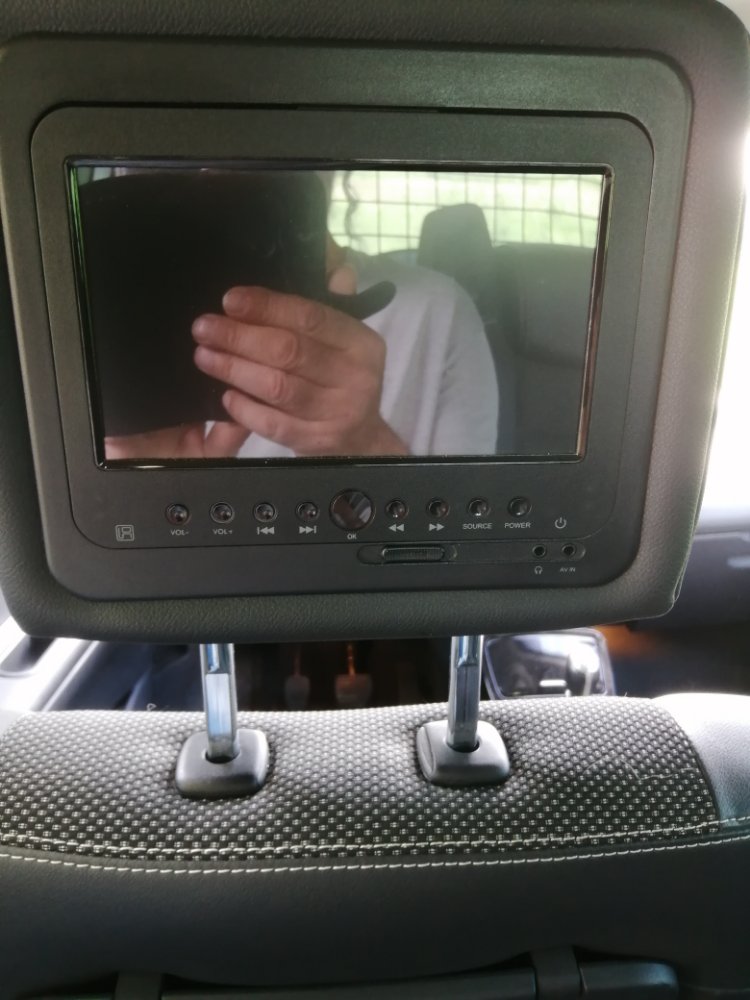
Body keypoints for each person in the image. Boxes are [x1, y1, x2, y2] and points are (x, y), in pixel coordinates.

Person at [103, 178, 499, 460]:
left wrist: (365, 444)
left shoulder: (439, 309)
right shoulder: (120, 308)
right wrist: (153, 492)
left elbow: (468, 537)